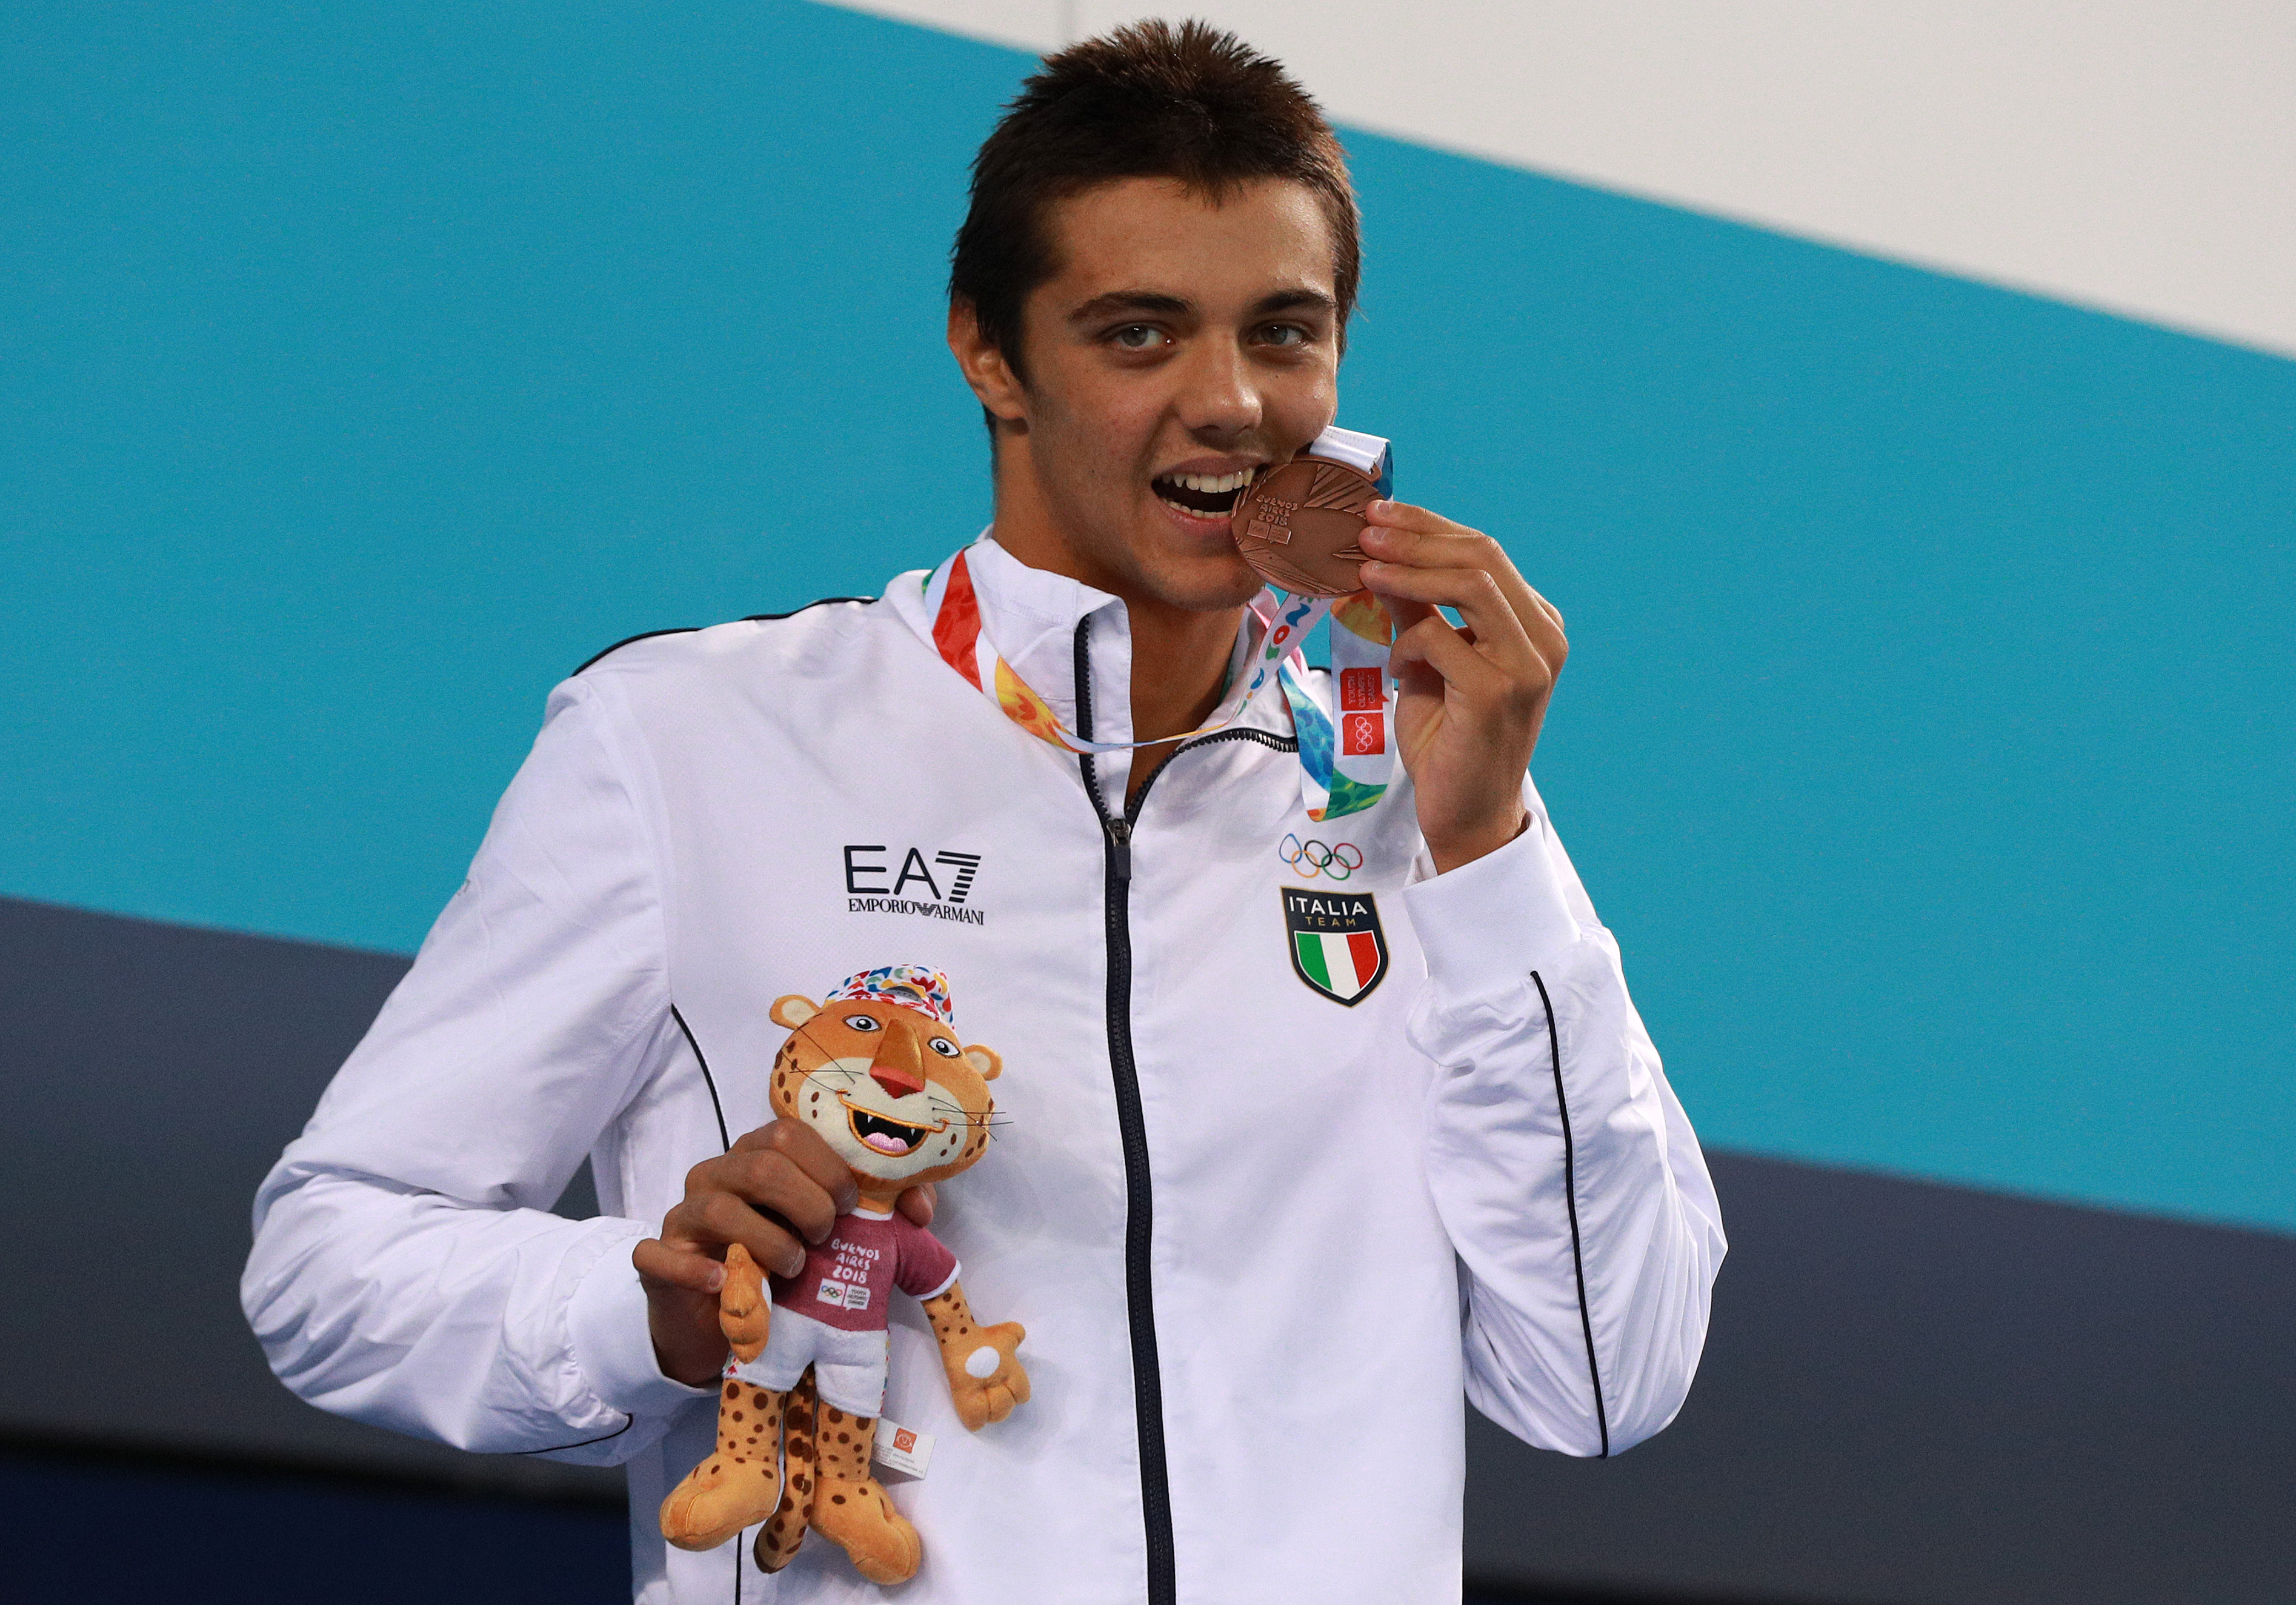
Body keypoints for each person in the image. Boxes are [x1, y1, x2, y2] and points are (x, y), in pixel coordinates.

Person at [244, 20, 1724, 1604]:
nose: (1231, 402)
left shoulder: (1403, 785)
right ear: (989, 352)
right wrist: (651, 1308)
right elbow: (332, 1263)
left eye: (1282, 335)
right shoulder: (693, 740)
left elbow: (1598, 1374)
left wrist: (1487, 849)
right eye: (1139, 334)